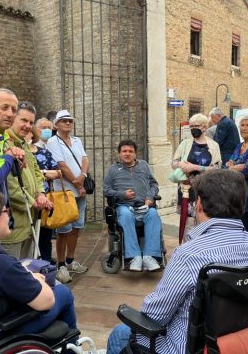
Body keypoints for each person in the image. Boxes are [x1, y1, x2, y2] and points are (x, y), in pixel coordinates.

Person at [106, 170, 248, 354]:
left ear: (198, 204)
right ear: (242, 204)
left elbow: (154, 316)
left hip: (191, 348)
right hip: (241, 343)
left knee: (120, 333)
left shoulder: (189, 255)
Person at [0, 189, 77, 336]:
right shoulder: (1, 265)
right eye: (7, 211)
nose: (10, 215)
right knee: (64, 292)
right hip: (6, 328)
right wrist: (36, 278)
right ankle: (72, 346)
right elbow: (47, 301)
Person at [0, 102, 53, 259]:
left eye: (31, 122)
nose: (28, 126)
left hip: (29, 223)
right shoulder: (4, 145)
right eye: (24, 120)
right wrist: (32, 202)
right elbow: (10, 186)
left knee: (27, 268)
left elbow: (36, 171)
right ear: (13, 118)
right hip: (13, 227)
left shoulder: (23, 143)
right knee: (12, 274)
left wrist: (41, 194)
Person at [103, 140, 162, 271]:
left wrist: (149, 196)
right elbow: (106, 190)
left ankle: (149, 257)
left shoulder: (144, 165)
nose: (127, 154)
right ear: (119, 153)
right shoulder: (113, 169)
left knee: (153, 214)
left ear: (135, 154)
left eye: (130, 151)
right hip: (124, 206)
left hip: (143, 206)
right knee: (126, 215)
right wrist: (122, 194)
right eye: (124, 151)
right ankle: (134, 257)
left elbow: (154, 184)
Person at [46, 110, 89, 283]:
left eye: (70, 121)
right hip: (64, 191)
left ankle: (71, 260)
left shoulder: (77, 140)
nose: (68, 124)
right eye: (64, 121)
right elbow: (61, 166)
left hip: (81, 191)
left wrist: (83, 177)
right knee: (63, 230)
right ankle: (61, 264)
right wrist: (78, 183)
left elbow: (85, 160)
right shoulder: (53, 141)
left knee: (76, 227)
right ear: (56, 124)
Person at [172, 113, 221, 242]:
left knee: (204, 221)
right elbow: (173, 163)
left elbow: (217, 168)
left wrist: (196, 167)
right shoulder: (185, 144)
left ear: (204, 127)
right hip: (187, 190)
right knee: (187, 223)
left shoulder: (214, 145)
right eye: (191, 126)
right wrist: (180, 164)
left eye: (197, 126)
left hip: (206, 189)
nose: (193, 128)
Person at [33, 119, 61, 263]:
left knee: (45, 235)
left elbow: (58, 172)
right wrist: (45, 173)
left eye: (49, 128)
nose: (46, 130)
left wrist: (41, 172)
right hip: (30, 199)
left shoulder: (45, 152)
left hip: (47, 198)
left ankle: (46, 263)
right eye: (43, 128)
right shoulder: (23, 153)